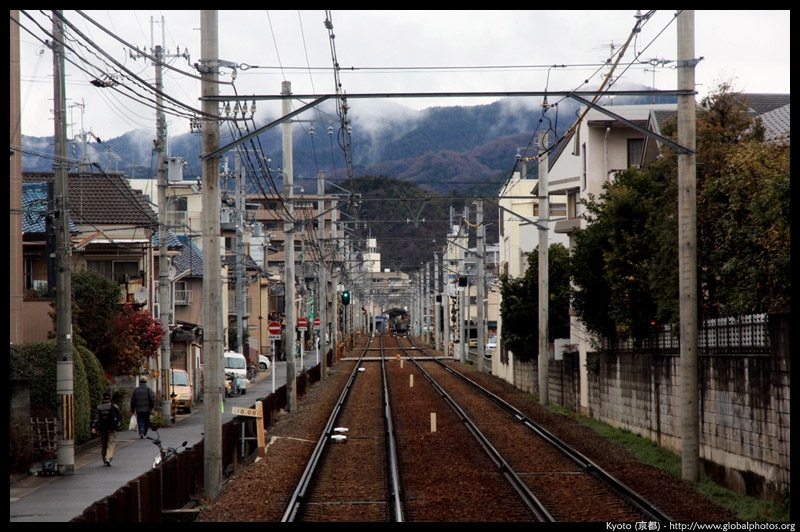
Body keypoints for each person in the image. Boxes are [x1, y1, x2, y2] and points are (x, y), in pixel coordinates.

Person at [91, 392, 122, 466]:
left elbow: (96, 418)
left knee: (104, 444)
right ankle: (108, 457)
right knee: (111, 443)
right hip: (112, 427)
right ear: (110, 398)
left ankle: (104, 459)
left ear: (103, 397)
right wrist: (117, 424)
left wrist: (94, 427)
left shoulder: (99, 407)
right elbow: (119, 416)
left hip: (102, 428)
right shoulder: (114, 407)